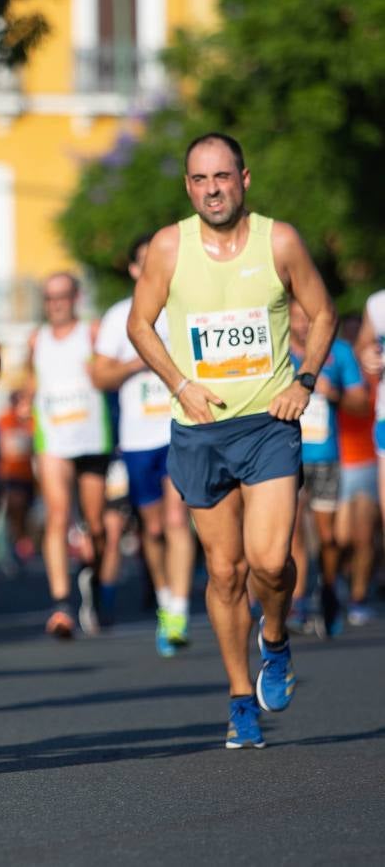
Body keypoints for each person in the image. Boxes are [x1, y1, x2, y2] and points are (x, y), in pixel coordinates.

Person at [129, 132, 335, 749]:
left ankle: (275, 639)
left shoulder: (281, 240)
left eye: (222, 177)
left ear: (243, 179)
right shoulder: (170, 246)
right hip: (200, 431)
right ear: (188, 186)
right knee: (224, 573)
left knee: (270, 563)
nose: (212, 189)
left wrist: (304, 379)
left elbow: (322, 314)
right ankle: (240, 696)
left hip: (268, 425)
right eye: (199, 179)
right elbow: (139, 323)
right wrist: (179, 383)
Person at [92, 232, 196, 656]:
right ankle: (163, 595)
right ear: (135, 269)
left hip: (179, 427)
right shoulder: (120, 316)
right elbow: (99, 376)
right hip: (137, 438)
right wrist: (144, 358)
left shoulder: (185, 306)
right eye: (144, 261)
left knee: (176, 519)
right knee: (152, 527)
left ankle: (179, 609)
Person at [27, 273, 111, 638]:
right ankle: (61, 604)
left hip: (92, 437)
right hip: (54, 439)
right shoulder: (36, 340)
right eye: (49, 297)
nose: (55, 303)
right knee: (58, 516)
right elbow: (30, 382)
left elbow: (108, 374)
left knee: (95, 524)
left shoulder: (92, 333)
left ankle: (92, 582)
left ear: (75, 297)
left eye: (62, 296)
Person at [286, 300, 366, 636]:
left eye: (309, 319)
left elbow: (360, 402)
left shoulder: (340, 352)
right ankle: (297, 601)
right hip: (287, 454)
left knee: (329, 536)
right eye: (297, 318)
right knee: (291, 533)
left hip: (325, 457)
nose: (304, 326)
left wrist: (332, 394)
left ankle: (330, 589)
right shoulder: (274, 352)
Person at [336, 315, 378, 626]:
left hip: (365, 461)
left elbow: (365, 407)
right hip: (336, 461)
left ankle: (359, 596)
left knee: (363, 537)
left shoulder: (375, 374)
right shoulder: (333, 365)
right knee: (340, 539)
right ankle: (336, 581)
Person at [0, 389, 37, 565]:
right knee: (15, 509)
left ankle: (22, 545)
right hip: (10, 475)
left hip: (30, 476)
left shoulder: (34, 421)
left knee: (26, 514)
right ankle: (14, 547)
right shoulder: (6, 420)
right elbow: (8, 447)